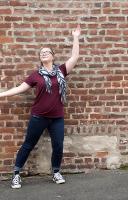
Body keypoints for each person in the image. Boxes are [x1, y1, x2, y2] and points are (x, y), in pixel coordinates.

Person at [0, 25, 81, 189]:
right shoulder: (35, 75)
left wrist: (76, 37)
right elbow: (19, 88)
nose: (44, 54)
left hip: (57, 117)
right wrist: (1, 94)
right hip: (38, 117)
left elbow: (75, 57)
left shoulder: (61, 71)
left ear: (52, 56)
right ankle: (16, 175)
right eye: (41, 53)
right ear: (40, 58)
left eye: (47, 52)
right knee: (28, 145)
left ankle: (56, 172)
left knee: (58, 145)